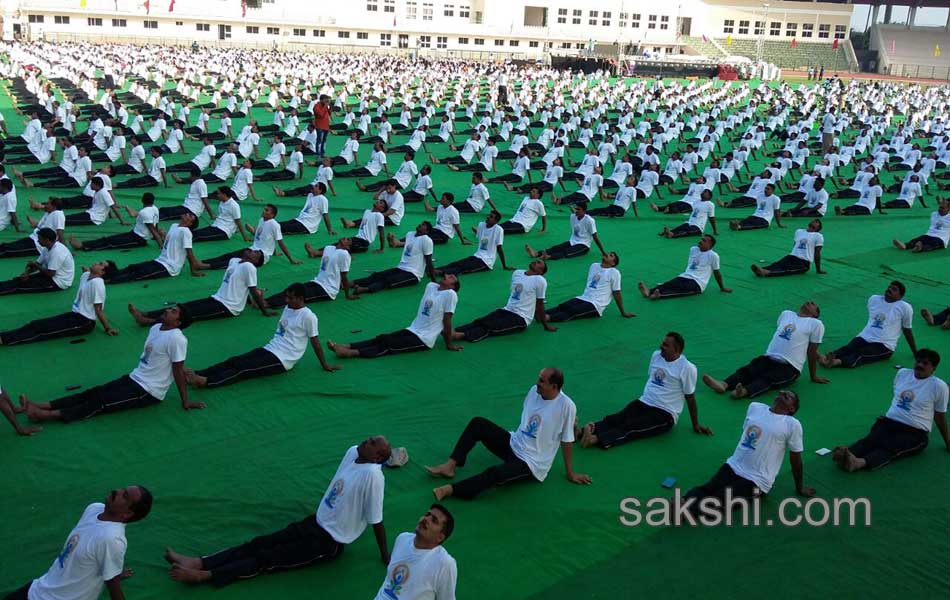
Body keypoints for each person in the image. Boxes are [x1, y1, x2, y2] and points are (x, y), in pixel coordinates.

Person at [163, 438, 392, 586]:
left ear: (378, 458)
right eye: (370, 439)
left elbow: (376, 519)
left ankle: (208, 575)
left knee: (267, 559)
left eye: (373, 444)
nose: (367, 441)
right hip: (316, 521)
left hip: (329, 542)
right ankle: (201, 562)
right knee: (258, 543)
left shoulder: (373, 477)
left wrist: (385, 555)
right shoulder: (353, 452)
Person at [18, 305, 204, 425]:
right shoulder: (156, 327)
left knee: (101, 403)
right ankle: (42, 405)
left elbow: (177, 370)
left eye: (174, 311)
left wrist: (184, 400)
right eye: (171, 308)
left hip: (149, 391)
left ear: (178, 322)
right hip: (135, 377)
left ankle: (46, 415)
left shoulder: (177, 339)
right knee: (93, 393)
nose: (169, 310)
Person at [424, 368, 591, 500]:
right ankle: (450, 466)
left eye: (542, 380)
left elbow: (567, 440)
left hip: (531, 463)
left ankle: (452, 490)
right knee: (478, 423)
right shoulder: (534, 391)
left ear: (554, 386)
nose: (537, 382)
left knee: (494, 474)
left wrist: (570, 473)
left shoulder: (566, 406)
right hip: (514, 443)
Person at [4, 487, 154, 600]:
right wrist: (112, 570)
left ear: (127, 513)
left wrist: (113, 575)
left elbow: (112, 584)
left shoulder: (112, 539)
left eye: (124, 496)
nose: (117, 491)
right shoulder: (94, 508)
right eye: (123, 489)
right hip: (40, 588)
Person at [184, 283, 339, 388]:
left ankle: (206, 382)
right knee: (235, 360)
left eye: (291, 298)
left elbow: (315, 342)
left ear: (300, 299)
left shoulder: (308, 316)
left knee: (243, 370)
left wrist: (324, 364)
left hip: (283, 359)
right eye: (287, 297)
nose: (287, 300)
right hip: (271, 348)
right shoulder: (288, 308)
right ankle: (199, 373)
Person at [684, 390, 815, 513]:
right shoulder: (755, 407)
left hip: (757, 480)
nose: (783, 393)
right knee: (708, 488)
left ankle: (683, 511)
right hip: (733, 465)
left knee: (720, 499)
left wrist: (799, 487)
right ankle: (682, 501)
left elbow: (795, 458)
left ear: (792, 409)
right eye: (781, 392)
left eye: (788, 396)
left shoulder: (792, 424)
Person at [578, 332, 712, 449]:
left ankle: (596, 439)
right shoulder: (656, 355)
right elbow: (652, 380)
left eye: (666, 345)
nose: (661, 347)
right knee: (618, 418)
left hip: (665, 413)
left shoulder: (687, 368)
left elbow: (690, 397)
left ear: (676, 350)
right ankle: (584, 431)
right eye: (662, 343)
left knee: (632, 427)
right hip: (644, 402)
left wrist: (696, 424)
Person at [832, 349, 948, 472]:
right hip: (889, 422)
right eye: (918, 361)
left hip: (915, 432)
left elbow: (940, 416)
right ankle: (846, 454)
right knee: (871, 440)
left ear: (934, 368)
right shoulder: (902, 373)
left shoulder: (939, 386)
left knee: (891, 447)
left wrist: (948, 442)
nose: (919, 365)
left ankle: (859, 463)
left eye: (925, 363)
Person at [702, 302, 829, 399]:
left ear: (815, 314)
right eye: (809, 301)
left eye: (813, 304)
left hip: (790, 366)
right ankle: (723, 384)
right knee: (748, 370)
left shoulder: (816, 324)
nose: (809, 302)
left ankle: (743, 391)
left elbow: (811, 350)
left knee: (768, 379)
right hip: (769, 357)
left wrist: (813, 376)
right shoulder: (786, 314)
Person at [328, 276, 461, 358]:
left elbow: (447, 320)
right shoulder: (431, 287)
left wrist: (449, 344)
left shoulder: (450, 295)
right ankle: (346, 346)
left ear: (452, 287)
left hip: (424, 339)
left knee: (388, 345)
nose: (447, 275)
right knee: (382, 338)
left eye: (451, 278)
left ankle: (352, 353)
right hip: (413, 329)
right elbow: (433, 282)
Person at [128, 249, 269, 327]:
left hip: (228, 307)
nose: (252, 250)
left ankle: (148, 321)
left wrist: (264, 310)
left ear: (255, 261)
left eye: (255, 253)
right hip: (217, 297)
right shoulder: (234, 261)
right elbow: (243, 288)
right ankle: (147, 313)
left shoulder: (250, 268)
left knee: (190, 313)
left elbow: (252, 289)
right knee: (183, 306)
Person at [0, 260, 118, 346]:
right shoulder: (87, 275)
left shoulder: (98, 284)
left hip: (84, 322)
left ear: (102, 272)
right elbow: (88, 275)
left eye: (100, 264)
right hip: (74, 315)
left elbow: (98, 309)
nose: (97, 262)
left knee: (43, 330)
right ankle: (5, 336)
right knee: (36, 323)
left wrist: (108, 328)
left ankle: (5, 339)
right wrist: (87, 270)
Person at [453, 259, 556, 342]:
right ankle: (455, 331)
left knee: (491, 327)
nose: (535, 262)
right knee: (482, 320)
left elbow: (540, 304)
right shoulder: (517, 273)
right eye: (536, 260)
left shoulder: (540, 281)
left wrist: (545, 325)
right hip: (507, 309)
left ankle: (461, 335)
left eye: (539, 263)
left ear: (540, 272)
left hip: (521, 317)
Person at [820, 282, 917, 369]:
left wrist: (915, 352)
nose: (889, 289)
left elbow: (907, 330)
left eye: (894, 289)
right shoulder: (874, 299)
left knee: (862, 354)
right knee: (849, 347)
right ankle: (827, 357)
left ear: (900, 296)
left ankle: (836, 362)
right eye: (889, 287)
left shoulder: (905, 308)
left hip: (885, 344)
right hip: (864, 337)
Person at [373, 505, 457, 600]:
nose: (425, 519)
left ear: (440, 537)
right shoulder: (402, 539)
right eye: (427, 514)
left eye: (434, 520)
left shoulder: (445, 564)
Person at [104, 212, 206, 284]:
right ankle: (111, 274)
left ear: (190, 223)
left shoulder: (186, 232)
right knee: (133, 267)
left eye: (190, 216)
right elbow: (170, 243)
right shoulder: (174, 226)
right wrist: (162, 236)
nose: (187, 214)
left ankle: (109, 281)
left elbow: (189, 252)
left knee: (138, 274)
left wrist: (193, 270)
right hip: (160, 260)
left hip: (169, 267)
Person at [199, 204, 301, 270]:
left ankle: (206, 266)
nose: (264, 211)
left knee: (235, 262)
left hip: (261, 255)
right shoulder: (262, 220)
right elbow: (268, 238)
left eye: (267, 210)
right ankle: (203, 261)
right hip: (253, 248)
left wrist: (291, 259)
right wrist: (274, 252)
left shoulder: (274, 225)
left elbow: (280, 242)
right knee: (228, 255)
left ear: (272, 215)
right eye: (264, 209)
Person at [545, 252, 636, 322]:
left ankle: (547, 318)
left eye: (611, 255)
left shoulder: (614, 272)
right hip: (583, 297)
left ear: (613, 263)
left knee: (572, 311)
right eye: (608, 253)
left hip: (596, 305)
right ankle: (541, 313)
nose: (607, 254)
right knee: (564, 305)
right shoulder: (594, 265)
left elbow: (616, 293)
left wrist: (623, 312)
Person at [351, 222, 434, 295]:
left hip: (413, 274)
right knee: (377, 275)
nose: (420, 225)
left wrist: (433, 280)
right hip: (401, 267)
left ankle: (364, 289)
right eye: (421, 223)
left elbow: (428, 260)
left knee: (388, 281)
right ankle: (352, 283)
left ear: (426, 232)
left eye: (424, 225)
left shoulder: (426, 240)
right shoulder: (410, 234)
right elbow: (406, 244)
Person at [637, 235, 730, 300]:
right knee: (669, 284)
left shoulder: (713, 256)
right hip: (685, 276)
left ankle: (660, 295)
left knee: (678, 290)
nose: (700, 241)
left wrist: (722, 288)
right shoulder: (694, 249)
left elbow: (717, 273)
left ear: (710, 245)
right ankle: (649, 291)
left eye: (704, 241)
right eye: (701, 239)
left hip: (698, 283)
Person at [268, 238, 355, 307]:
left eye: (348, 240)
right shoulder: (329, 248)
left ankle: (268, 304)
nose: (345, 238)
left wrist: (347, 295)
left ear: (348, 247)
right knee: (292, 289)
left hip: (327, 289)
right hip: (317, 281)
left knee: (297, 296)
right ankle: (266, 300)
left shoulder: (344, 254)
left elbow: (344, 275)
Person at [70, 192, 162, 251]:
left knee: (111, 243)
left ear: (142, 200)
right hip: (134, 234)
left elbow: (153, 229)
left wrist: (160, 245)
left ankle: (83, 246)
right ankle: (83, 244)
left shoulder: (144, 212)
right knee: (110, 239)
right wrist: (155, 237)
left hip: (139, 239)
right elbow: (156, 224)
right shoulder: (155, 209)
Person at [433, 210, 513, 276]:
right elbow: (480, 237)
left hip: (486, 262)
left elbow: (499, 248)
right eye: (489, 215)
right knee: (458, 263)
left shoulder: (498, 230)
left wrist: (504, 266)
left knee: (463, 268)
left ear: (496, 221)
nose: (488, 217)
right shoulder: (481, 225)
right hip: (477, 255)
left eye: (491, 217)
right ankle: (436, 269)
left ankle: (441, 272)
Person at [0, 228, 74, 296]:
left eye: (40, 239)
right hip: (50, 275)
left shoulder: (57, 252)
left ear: (47, 240)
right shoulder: (47, 248)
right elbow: (38, 263)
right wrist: (27, 273)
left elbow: (51, 273)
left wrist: (36, 266)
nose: (38, 241)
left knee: (20, 286)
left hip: (58, 282)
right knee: (19, 280)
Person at [525, 202, 604, 261]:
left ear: (584, 211)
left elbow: (595, 237)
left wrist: (603, 252)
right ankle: (536, 253)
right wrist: (573, 209)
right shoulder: (573, 216)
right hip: (573, 241)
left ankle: (548, 257)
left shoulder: (589, 221)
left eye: (578, 209)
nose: (576, 211)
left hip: (584, 246)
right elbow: (574, 212)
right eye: (576, 209)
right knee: (556, 247)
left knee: (566, 252)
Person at [751, 219, 825, 277]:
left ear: (818, 228)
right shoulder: (799, 231)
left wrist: (818, 270)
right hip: (792, 256)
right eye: (814, 221)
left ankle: (768, 273)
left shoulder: (818, 236)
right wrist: (793, 254)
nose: (814, 221)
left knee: (787, 269)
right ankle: (762, 269)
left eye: (817, 222)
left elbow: (817, 253)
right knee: (778, 264)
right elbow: (795, 245)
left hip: (803, 262)